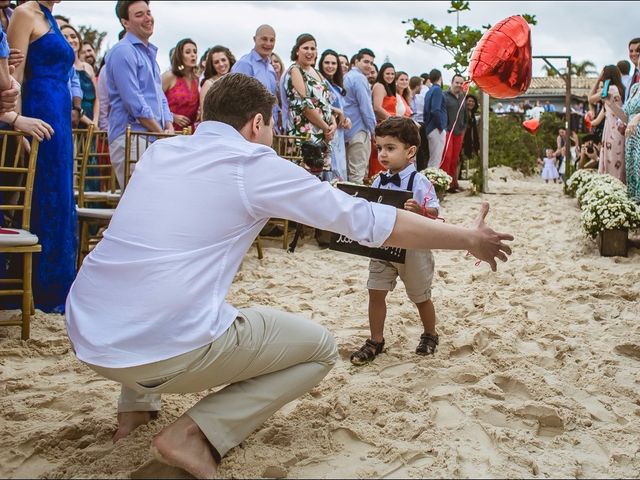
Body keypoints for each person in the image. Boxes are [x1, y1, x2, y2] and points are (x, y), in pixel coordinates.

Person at [65, 72, 513, 479]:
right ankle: (196, 435)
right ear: (257, 122)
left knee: (161, 281)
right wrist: (467, 238)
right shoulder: (252, 165)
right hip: (157, 349)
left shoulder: (162, 152)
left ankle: (135, 414)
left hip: (87, 330)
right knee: (317, 349)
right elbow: (371, 221)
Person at [350, 117, 441, 366]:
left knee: (420, 295)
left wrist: (421, 212)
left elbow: (436, 213)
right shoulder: (379, 180)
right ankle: (376, 340)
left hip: (414, 249)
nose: (383, 154)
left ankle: (430, 334)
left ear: (410, 151)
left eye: (390, 148)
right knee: (375, 291)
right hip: (382, 245)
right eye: (379, 148)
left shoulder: (420, 182)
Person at [8, 0, 77, 313]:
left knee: (60, 196)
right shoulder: (23, 13)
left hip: (60, 114)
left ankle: (59, 284)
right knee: (43, 195)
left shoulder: (50, 17)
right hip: (38, 111)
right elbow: (14, 75)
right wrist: (17, 121)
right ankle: (37, 287)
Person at [105, 0, 174, 188]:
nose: (147, 18)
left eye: (148, 12)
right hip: (132, 136)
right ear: (125, 22)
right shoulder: (122, 51)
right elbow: (133, 100)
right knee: (136, 199)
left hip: (154, 135)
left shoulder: (149, 53)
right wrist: (161, 133)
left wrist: (168, 124)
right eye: (139, 15)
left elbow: (159, 96)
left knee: (156, 198)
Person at [284, 33, 336, 154]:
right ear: (297, 51)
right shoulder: (296, 70)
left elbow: (326, 103)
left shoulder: (318, 73)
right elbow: (305, 106)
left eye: (313, 48)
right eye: (305, 48)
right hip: (305, 134)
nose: (310, 52)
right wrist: (326, 128)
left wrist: (333, 124)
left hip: (323, 135)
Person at [231, 24, 277, 123]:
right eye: (264, 39)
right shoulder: (245, 64)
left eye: (272, 40)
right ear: (254, 39)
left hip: (270, 126)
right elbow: (237, 99)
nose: (268, 44)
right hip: (251, 126)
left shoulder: (270, 68)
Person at [343, 48, 376, 184]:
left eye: (371, 63)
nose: (369, 65)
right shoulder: (359, 78)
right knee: (357, 175)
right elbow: (366, 108)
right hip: (358, 130)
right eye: (366, 61)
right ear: (356, 61)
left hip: (346, 131)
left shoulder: (346, 76)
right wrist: (374, 131)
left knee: (347, 174)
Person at [588, 65, 626, 182]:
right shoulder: (620, 89)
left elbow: (590, 99)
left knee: (612, 161)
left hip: (612, 131)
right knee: (617, 160)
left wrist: (598, 79)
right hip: (617, 129)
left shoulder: (610, 89)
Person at [319, 48, 350, 181]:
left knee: (340, 168)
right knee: (330, 167)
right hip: (327, 128)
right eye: (327, 63)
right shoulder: (320, 82)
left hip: (339, 132)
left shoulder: (337, 86)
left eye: (333, 63)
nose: (330, 66)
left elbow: (341, 107)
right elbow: (319, 103)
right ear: (321, 64)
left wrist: (346, 118)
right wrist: (338, 112)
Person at [61, 23, 98, 126]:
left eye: (73, 36)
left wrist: (95, 122)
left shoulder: (88, 67)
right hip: (74, 120)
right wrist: (87, 121)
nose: (71, 40)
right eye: (65, 37)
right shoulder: (63, 67)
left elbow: (97, 98)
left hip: (92, 123)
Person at [162, 38, 199, 132]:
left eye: (195, 52)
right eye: (188, 52)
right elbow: (154, 102)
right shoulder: (169, 76)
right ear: (180, 56)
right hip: (169, 131)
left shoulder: (196, 79)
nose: (193, 55)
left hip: (189, 132)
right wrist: (172, 117)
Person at [442, 74, 467, 192]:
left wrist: (463, 127)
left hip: (459, 132)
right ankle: (444, 184)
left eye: (461, 83)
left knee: (455, 159)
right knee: (447, 157)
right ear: (452, 83)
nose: (459, 85)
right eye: (457, 83)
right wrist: (444, 127)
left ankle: (453, 184)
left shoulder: (463, 97)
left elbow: (465, 114)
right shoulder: (444, 96)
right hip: (447, 131)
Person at [199, 45, 235, 121]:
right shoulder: (208, 84)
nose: (221, 64)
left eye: (223, 60)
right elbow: (203, 115)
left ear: (229, 60)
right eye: (216, 62)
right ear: (212, 65)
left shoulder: (237, 80)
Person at [623, 49, 640, 203]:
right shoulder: (635, 88)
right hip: (631, 139)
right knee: (632, 178)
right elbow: (625, 113)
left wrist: (637, 118)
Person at [423, 68, 447, 169]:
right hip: (436, 128)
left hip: (430, 127)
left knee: (433, 158)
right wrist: (441, 126)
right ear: (440, 77)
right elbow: (435, 110)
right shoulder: (437, 90)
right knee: (435, 160)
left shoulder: (429, 91)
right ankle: (432, 183)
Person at [410, 75, 429, 170]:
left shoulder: (417, 98)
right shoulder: (409, 97)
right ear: (417, 86)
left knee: (421, 152)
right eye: (421, 85)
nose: (421, 87)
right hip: (413, 125)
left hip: (418, 124)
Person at [462, 94, 480, 169]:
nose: (471, 103)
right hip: (463, 138)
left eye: (473, 101)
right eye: (469, 101)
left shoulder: (472, 114)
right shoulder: (462, 113)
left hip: (470, 139)